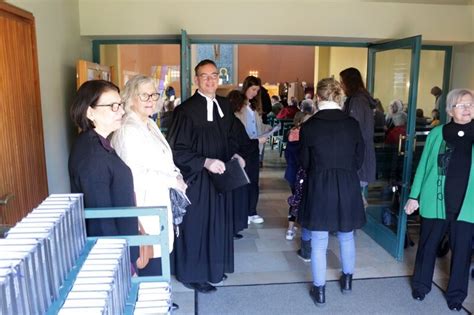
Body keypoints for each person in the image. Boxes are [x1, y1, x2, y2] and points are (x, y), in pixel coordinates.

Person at [166, 59, 245, 293]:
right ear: (196, 79)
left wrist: (236, 155)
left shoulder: (224, 105)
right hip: (198, 180)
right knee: (197, 226)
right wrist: (205, 162)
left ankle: (213, 270)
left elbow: (233, 137)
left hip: (221, 178)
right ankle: (193, 275)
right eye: (205, 76)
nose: (210, 80)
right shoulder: (185, 110)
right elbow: (177, 149)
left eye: (214, 75)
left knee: (218, 224)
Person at [404, 89, 474, 312]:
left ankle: (456, 296)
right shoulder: (438, 133)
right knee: (427, 246)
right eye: (462, 105)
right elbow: (424, 167)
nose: (468, 109)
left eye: (471, 104)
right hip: (435, 201)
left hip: (467, 205)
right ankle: (421, 286)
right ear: (450, 109)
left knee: (462, 252)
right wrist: (414, 196)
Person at [298, 78, 366, 307]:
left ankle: (320, 292)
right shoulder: (352, 124)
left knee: (318, 241)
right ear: (338, 96)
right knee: (347, 236)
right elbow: (359, 159)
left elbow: (305, 162)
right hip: (347, 183)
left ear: (318, 97)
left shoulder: (309, 126)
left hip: (319, 184)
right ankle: (347, 281)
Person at [111, 75, 187, 278]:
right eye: (144, 95)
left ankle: (161, 298)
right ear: (130, 98)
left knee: (159, 255)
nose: (151, 100)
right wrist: (173, 180)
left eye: (154, 94)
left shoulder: (149, 123)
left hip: (159, 201)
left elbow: (164, 158)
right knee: (149, 258)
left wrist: (176, 175)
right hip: (145, 205)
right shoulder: (128, 130)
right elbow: (134, 175)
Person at [68, 80, 139, 267]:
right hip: (112, 256)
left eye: (120, 105)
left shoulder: (97, 142)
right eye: (113, 106)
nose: (122, 112)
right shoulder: (93, 156)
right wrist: (118, 262)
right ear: (90, 112)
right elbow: (102, 219)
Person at [234, 76, 271, 225]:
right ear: (246, 88)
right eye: (253, 89)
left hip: (255, 147)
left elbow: (259, 127)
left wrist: (269, 130)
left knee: (254, 182)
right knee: (244, 181)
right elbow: (238, 130)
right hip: (243, 148)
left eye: (257, 90)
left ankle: (252, 211)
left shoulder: (253, 107)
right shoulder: (238, 107)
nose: (255, 93)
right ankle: (244, 212)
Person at [340, 67, 376, 204]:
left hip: (358, 155)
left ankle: (351, 223)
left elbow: (354, 128)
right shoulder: (359, 99)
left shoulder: (357, 101)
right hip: (360, 153)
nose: (341, 85)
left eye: (342, 82)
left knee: (353, 196)